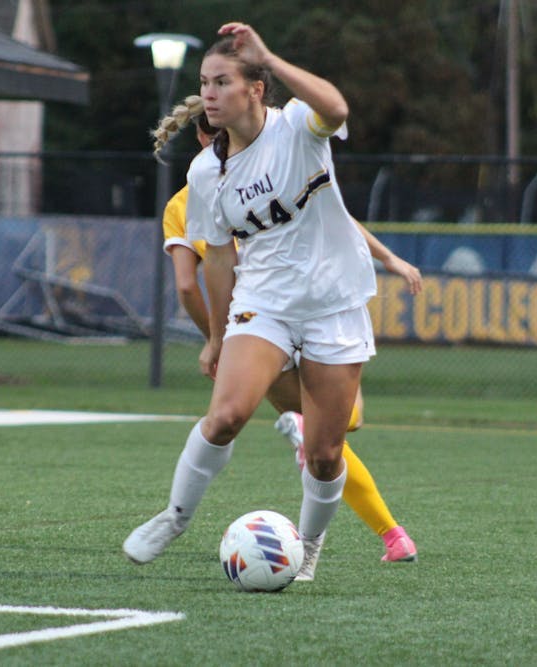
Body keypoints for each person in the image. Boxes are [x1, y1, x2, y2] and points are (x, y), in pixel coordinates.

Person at [123, 23, 390, 579]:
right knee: (224, 417)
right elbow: (218, 260)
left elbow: (337, 107)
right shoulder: (204, 171)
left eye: (222, 82)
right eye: (205, 83)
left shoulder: (297, 127)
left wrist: (270, 54)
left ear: (256, 89)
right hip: (263, 303)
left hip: (334, 303)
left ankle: (308, 546)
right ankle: (174, 517)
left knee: (323, 453)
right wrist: (219, 336)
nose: (210, 94)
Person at [159, 106, 420, 575]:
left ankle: (384, 529)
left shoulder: (184, 200)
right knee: (335, 433)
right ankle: (389, 532)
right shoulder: (265, 164)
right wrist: (390, 259)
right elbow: (338, 218)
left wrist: (216, 340)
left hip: (257, 319)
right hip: (300, 304)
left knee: (331, 431)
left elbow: (185, 285)